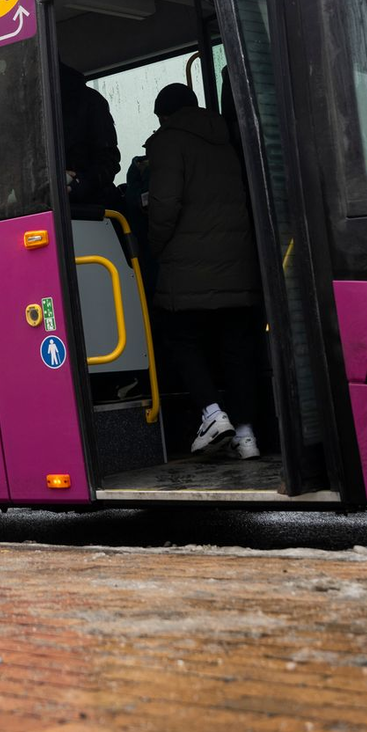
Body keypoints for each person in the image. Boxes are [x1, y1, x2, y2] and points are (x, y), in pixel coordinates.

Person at [145, 83, 263, 459]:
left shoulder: (168, 141)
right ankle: (246, 436)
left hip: (188, 269)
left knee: (180, 338)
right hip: (237, 267)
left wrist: (155, 248)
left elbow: (164, 205)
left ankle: (212, 414)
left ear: (165, 115)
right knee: (236, 350)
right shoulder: (226, 139)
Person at [59, 62, 121, 213]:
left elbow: (109, 160)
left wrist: (81, 182)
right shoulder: (26, 108)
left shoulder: (90, 101)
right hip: (47, 208)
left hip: (94, 210)